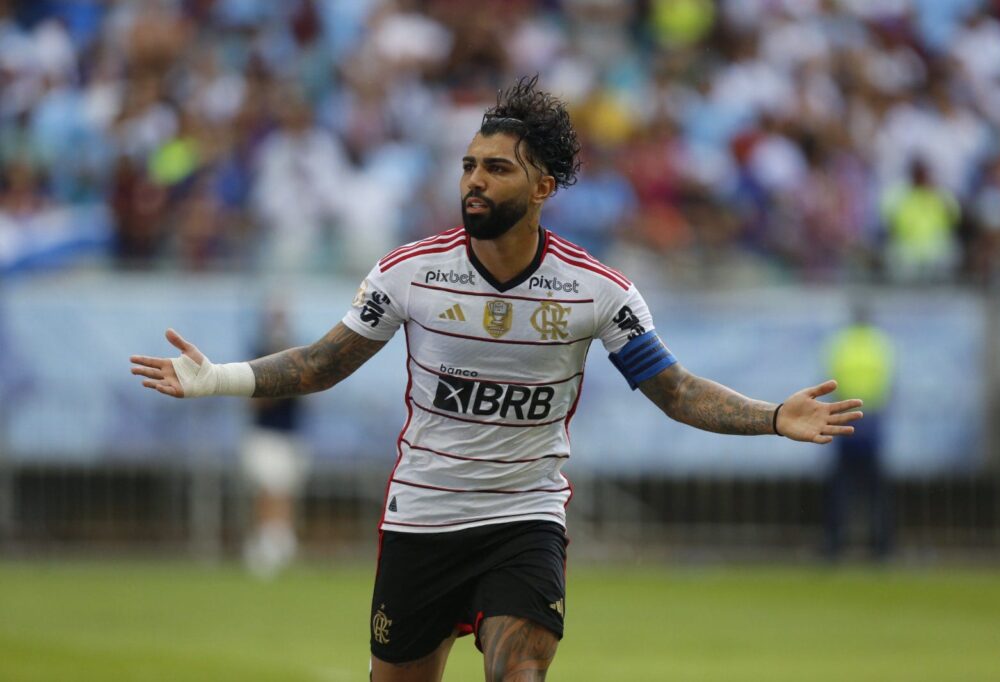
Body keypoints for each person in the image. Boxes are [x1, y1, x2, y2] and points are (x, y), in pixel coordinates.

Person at [130, 76, 863, 682]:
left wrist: (773, 416)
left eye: (496, 168)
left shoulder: (598, 291)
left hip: (524, 519)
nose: (474, 181)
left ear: (543, 185)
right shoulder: (411, 272)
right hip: (422, 518)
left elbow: (673, 391)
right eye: (469, 166)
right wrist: (217, 378)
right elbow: (324, 363)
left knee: (522, 676)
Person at [240, 301, 309, 578]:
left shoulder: (299, 353)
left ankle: (281, 544)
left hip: (291, 434)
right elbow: (254, 401)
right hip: (265, 435)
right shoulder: (258, 354)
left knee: (285, 491)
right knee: (269, 489)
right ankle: (266, 546)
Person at [823, 303, 895, 561]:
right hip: (872, 423)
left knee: (841, 488)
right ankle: (883, 548)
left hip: (845, 423)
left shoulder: (841, 343)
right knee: (875, 491)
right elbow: (889, 385)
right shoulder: (880, 344)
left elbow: (831, 382)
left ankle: (833, 547)